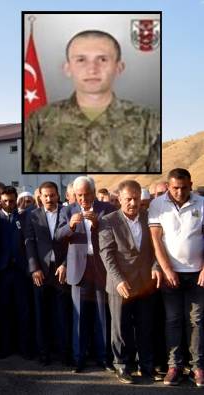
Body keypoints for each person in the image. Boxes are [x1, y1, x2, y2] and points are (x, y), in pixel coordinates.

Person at [24, 29, 160, 172]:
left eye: (102, 59)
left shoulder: (149, 121)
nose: (92, 69)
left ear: (119, 68)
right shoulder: (38, 121)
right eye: (81, 60)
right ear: (67, 68)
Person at [99, 180, 159, 384]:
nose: (133, 203)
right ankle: (122, 366)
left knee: (145, 326)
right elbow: (106, 254)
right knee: (120, 328)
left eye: (136, 199)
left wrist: (155, 267)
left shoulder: (148, 218)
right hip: (120, 284)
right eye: (128, 199)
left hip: (144, 284)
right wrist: (118, 280)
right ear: (119, 200)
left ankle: (146, 365)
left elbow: (157, 249)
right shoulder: (108, 221)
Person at [149, 168, 204, 386]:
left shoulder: (201, 203)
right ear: (169, 186)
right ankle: (174, 366)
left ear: (191, 185)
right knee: (173, 320)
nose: (179, 192)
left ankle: (198, 367)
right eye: (175, 188)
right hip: (170, 274)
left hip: (197, 274)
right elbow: (156, 239)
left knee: (197, 321)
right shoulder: (157, 205)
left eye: (183, 187)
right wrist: (167, 268)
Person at [56, 176, 116, 372]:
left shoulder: (106, 209)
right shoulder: (67, 209)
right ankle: (78, 359)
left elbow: (115, 235)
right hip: (78, 268)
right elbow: (58, 236)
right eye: (79, 195)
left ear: (93, 191)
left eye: (86, 194)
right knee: (79, 316)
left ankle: (103, 358)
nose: (83, 199)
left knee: (101, 316)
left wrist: (98, 224)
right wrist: (70, 226)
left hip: (100, 267)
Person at [25, 181, 71, 366]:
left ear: (58, 196)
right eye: (46, 195)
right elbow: (29, 242)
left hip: (61, 271)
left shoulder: (67, 213)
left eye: (52, 195)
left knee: (62, 315)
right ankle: (44, 353)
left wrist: (67, 264)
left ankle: (64, 354)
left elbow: (73, 241)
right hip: (41, 272)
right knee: (41, 315)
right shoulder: (32, 215)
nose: (49, 199)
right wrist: (34, 268)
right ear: (40, 197)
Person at [0, 186, 33, 359]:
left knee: (23, 310)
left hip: (21, 271)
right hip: (3, 272)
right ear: (0, 200)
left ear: (16, 200)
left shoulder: (24, 217)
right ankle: (5, 347)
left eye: (11, 200)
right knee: (4, 310)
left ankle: (25, 348)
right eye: (5, 201)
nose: (8, 204)